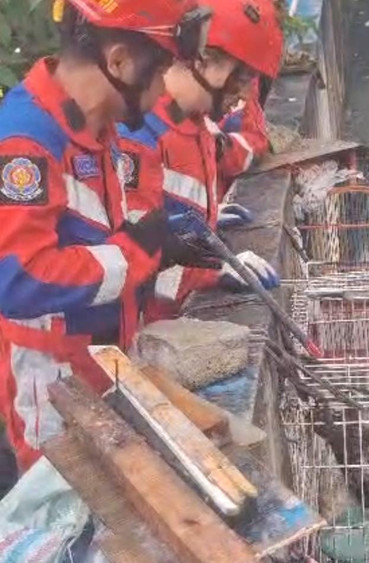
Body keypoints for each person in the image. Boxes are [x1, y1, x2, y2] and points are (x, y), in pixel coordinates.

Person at [0, 0, 211, 473]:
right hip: (52, 391)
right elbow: (16, 281)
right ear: (117, 61)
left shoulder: (99, 128)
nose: (162, 93)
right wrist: (135, 254)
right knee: (67, 526)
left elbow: (97, 233)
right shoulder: (25, 143)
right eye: (158, 72)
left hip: (104, 365)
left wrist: (169, 242)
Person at [118, 0, 284, 316]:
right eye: (241, 78)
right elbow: (130, 270)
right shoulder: (139, 136)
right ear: (204, 59)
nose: (247, 95)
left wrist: (200, 217)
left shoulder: (196, 121)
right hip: (151, 335)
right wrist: (216, 273)